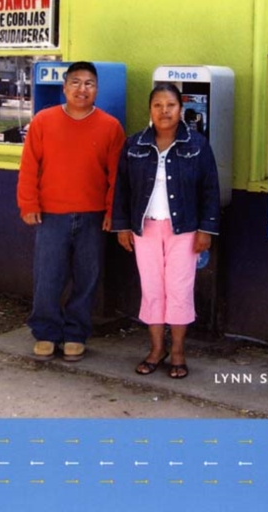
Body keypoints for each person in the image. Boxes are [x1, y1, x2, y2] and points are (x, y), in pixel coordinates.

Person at [17, 61, 125, 361]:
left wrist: (111, 212)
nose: (82, 89)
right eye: (75, 82)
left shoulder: (110, 126)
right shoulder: (43, 121)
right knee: (47, 276)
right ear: (64, 87)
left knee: (87, 277)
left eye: (89, 83)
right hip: (51, 214)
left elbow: (116, 175)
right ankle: (46, 332)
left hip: (92, 216)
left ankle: (76, 333)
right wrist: (28, 203)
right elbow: (29, 167)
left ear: (97, 89)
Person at [112, 83, 220, 379]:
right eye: (158, 105)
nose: (164, 111)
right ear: (150, 110)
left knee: (179, 290)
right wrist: (122, 226)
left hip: (183, 230)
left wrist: (206, 230)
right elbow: (121, 189)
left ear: (181, 109)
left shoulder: (197, 144)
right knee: (152, 289)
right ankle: (157, 349)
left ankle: (178, 352)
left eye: (170, 105)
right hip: (145, 230)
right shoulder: (134, 145)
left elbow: (210, 189)